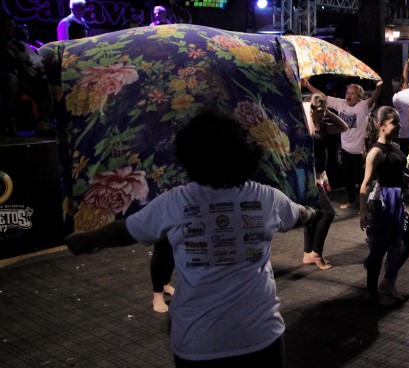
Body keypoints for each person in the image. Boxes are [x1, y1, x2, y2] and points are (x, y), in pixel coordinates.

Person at [64, 109, 316, 366]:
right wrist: (311, 211)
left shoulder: (174, 202)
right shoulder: (268, 198)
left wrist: (86, 240)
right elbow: (300, 216)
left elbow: (124, 231)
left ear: (189, 157)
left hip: (197, 343)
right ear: (244, 153)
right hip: (261, 338)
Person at [359, 106, 409, 305]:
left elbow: (399, 175)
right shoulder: (376, 152)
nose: (399, 125)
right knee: (379, 248)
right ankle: (371, 292)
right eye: (394, 122)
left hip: (396, 202)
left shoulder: (394, 146)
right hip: (382, 203)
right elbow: (365, 184)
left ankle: (388, 281)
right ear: (381, 125)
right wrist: (363, 212)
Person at [303, 78, 383, 209]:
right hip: (346, 149)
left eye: (352, 93)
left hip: (360, 151)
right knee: (348, 178)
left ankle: (366, 203)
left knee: (363, 179)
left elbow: (373, 99)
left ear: (359, 97)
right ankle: (352, 201)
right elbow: (323, 97)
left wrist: (378, 88)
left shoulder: (363, 106)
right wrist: (308, 85)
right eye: (347, 92)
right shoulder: (341, 103)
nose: (348, 95)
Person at [303, 94, 348, 270]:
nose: (322, 115)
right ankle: (316, 253)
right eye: (319, 111)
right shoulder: (305, 127)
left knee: (313, 214)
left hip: (320, 174)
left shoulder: (323, 126)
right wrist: (307, 110)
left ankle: (308, 253)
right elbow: (309, 133)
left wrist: (328, 113)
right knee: (327, 213)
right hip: (309, 176)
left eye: (324, 111)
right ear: (311, 110)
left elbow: (344, 127)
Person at [1, 14, 53, 136]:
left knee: (44, 82)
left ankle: (43, 122)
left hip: (23, 79)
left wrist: (27, 57)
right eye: (10, 26)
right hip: (6, 78)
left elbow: (39, 61)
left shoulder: (19, 44)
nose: (13, 29)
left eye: (14, 26)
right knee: (11, 79)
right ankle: (10, 123)